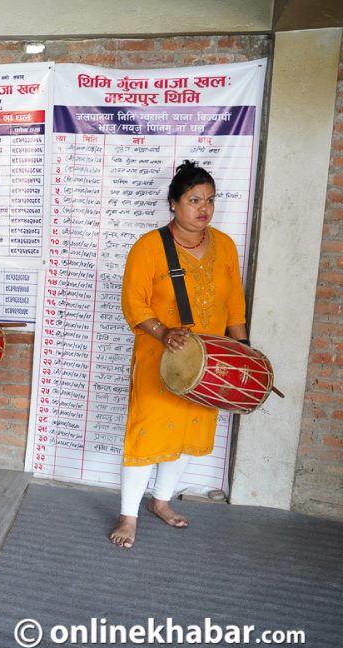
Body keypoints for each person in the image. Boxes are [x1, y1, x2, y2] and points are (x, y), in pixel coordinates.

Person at [109, 160, 248, 549]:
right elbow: (133, 304)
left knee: (190, 429)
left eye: (209, 200)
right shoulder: (149, 247)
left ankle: (161, 501)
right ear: (173, 203)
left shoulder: (225, 245)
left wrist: (241, 353)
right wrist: (163, 331)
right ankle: (128, 514)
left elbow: (235, 305)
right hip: (159, 358)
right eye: (193, 200)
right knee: (148, 432)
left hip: (209, 363)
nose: (203, 208)